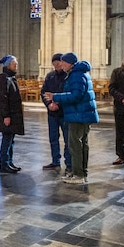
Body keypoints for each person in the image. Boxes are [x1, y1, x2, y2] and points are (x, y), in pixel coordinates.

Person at [45, 52, 98, 184]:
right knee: (82, 144)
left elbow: (76, 95)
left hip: (78, 115)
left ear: (69, 63)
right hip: (82, 113)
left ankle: (78, 175)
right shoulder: (80, 73)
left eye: (63, 62)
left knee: (75, 145)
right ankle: (81, 173)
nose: (61, 65)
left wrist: (55, 97)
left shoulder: (76, 75)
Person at [0, 55, 24, 174]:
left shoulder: (10, 77)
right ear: (8, 65)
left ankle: (9, 162)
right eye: (14, 64)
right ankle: (4, 164)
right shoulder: (3, 78)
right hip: (7, 115)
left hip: (13, 114)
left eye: (16, 64)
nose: (16, 66)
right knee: (6, 140)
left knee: (10, 140)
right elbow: (3, 99)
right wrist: (6, 116)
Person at [40, 53, 71, 173]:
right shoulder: (50, 76)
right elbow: (44, 92)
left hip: (64, 113)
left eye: (58, 63)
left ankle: (69, 163)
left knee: (68, 139)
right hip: (52, 114)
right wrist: (49, 104)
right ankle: (55, 161)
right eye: (54, 63)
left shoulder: (68, 76)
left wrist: (58, 104)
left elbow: (69, 94)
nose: (56, 65)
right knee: (53, 138)